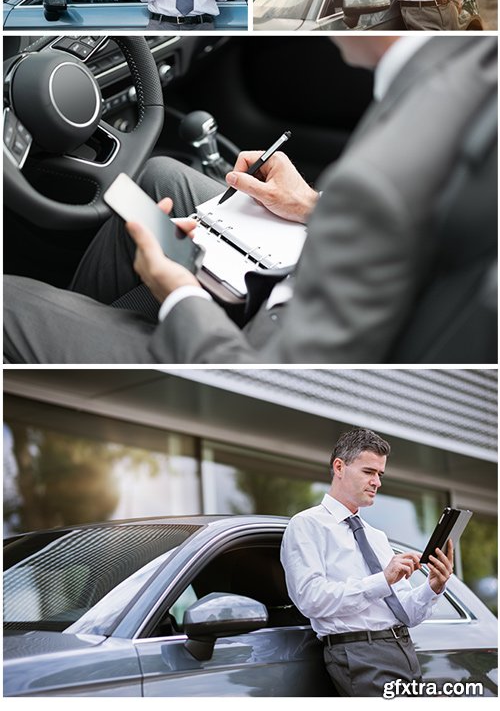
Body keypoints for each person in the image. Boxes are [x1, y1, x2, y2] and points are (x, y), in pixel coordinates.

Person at [4, 35, 496, 364]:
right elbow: (412, 229)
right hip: (298, 278)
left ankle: (104, 329)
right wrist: (310, 205)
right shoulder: (472, 78)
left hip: (259, 344)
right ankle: (97, 320)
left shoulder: (379, 178)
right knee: (158, 176)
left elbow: (259, 375)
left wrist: (178, 292)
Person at [281, 427, 453, 697]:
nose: (377, 482)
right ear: (339, 467)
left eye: (380, 474)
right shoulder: (306, 525)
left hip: (403, 649)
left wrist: (433, 587)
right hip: (359, 654)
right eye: (368, 472)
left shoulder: (376, 536)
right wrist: (383, 580)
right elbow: (310, 599)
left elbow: (406, 613)